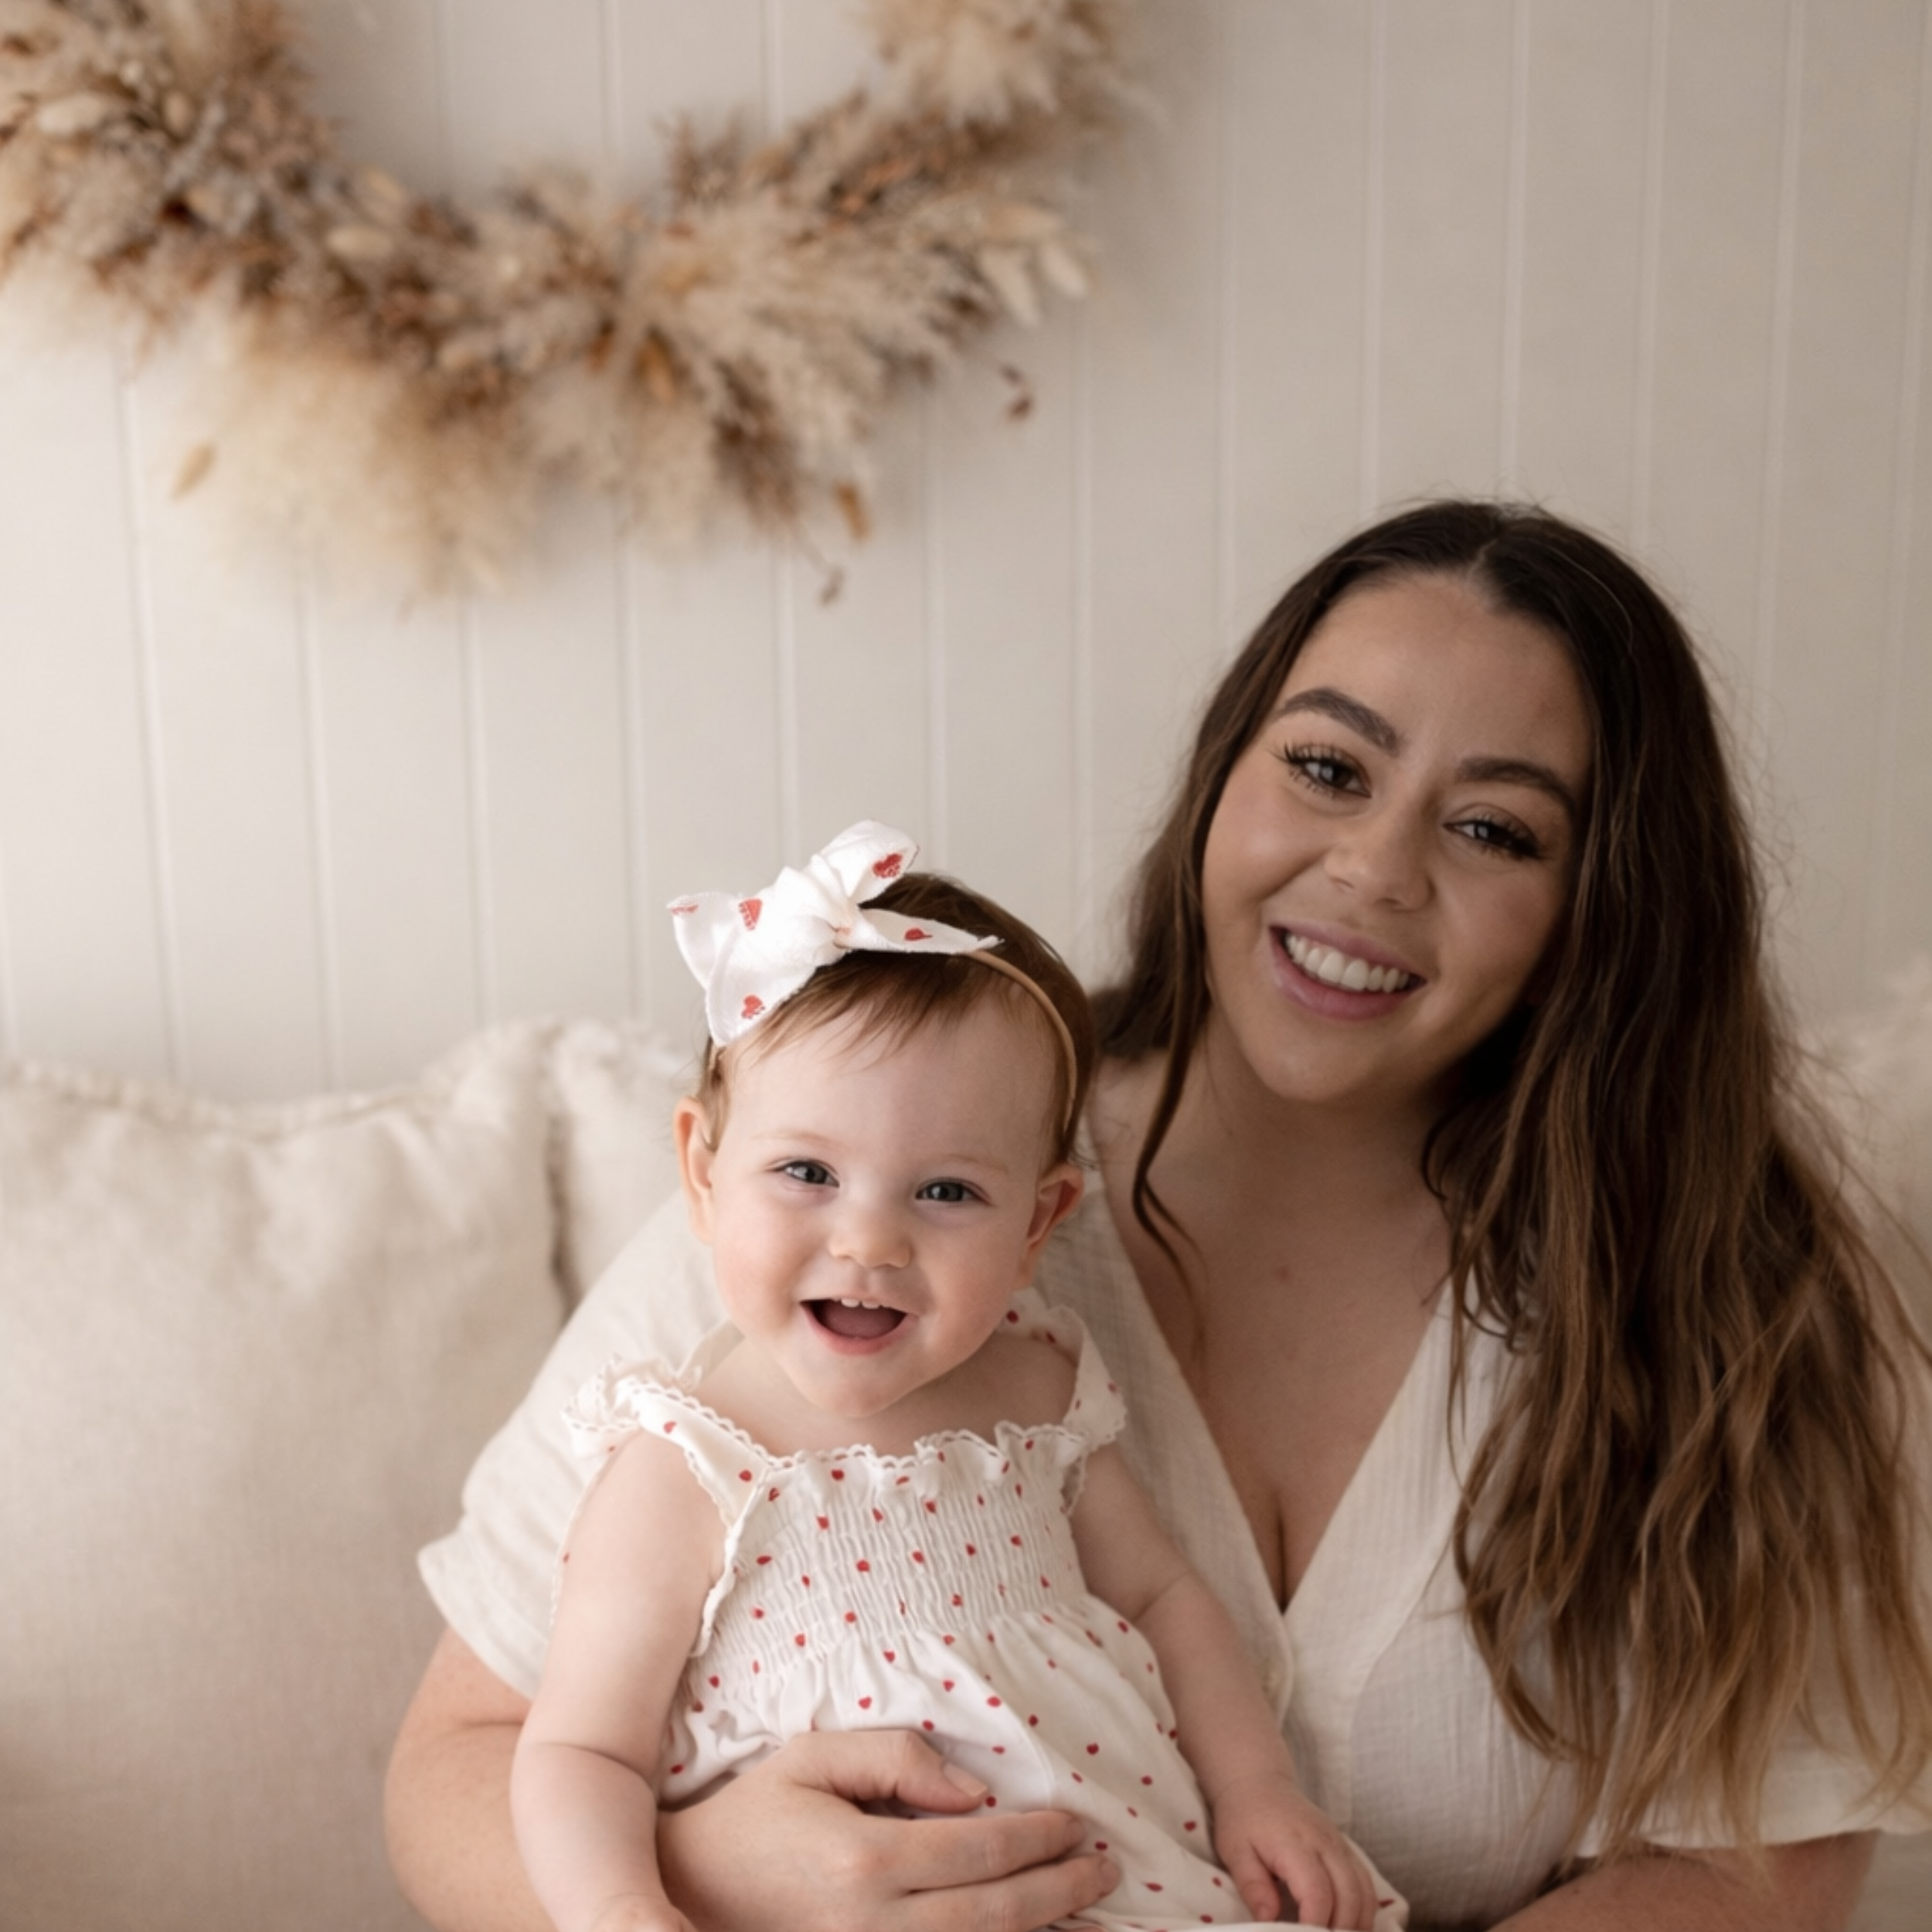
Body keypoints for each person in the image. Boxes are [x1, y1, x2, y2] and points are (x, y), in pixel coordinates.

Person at [388, 501, 1932, 1932]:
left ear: (1600, 907)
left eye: (1494, 830)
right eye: (1327, 768)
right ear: (1221, 781)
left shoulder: (1738, 1291)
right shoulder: (830, 1203)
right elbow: (459, 1760)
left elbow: (1763, 1851)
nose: (1373, 870)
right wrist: (716, 1879)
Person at [510, 821, 1401, 1932]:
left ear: (1038, 1224)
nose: (870, 1241)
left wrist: (1258, 1791)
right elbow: (581, 1750)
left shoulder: (1037, 1401)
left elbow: (1167, 1602)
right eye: (807, 1171)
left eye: (946, 1193)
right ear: (702, 1171)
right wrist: (621, 1913)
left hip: (1125, 1892)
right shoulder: (687, 1464)